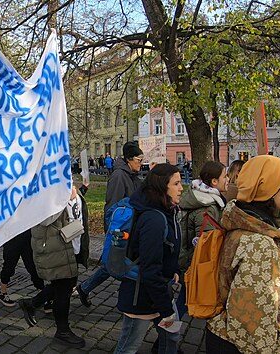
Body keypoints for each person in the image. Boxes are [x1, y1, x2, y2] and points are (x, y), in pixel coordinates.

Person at [206, 155, 280, 353]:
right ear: (269, 188)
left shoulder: (243, 220)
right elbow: (252, 323)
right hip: (237, 344)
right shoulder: (260, 243)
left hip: (222, 334)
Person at [112, 163, 183, 354]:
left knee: (171, 337)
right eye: (176, 183)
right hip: (142, 295)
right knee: (128, 346)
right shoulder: (154, 219)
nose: (182, 188)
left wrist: (174, 269)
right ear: (162, 186)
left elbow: (168, 248)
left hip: (159, 291)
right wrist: (166, 309)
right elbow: (149, 269)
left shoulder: (167, 210)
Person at [18, 184, 90, 348]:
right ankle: (62, 331)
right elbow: (45, 219)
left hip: (71, 245)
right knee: (63, 289)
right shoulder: (42, 189)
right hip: (56, 248)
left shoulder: (66, 185)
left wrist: (77, 195)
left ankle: (32, 303)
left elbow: (76, 215)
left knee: (66, 284)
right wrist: (66, 200)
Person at [77, 141, 143, 306]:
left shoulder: (132, 175)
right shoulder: (119, 176)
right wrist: (111, 231)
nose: (141, 163)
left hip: (128, 227)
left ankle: (85, 288)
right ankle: (128, 303)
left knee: (114, 264)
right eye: (139, 159)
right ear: (129, 159)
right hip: (120, 229)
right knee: (117, 264)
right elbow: (112, 206)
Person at [177, 160, 228, 316]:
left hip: (193, 261)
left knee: (184, 300)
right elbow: (207, 246)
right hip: (196, 264)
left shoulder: (209, 200)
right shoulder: (207, 207)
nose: (228, 180)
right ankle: (166, 335)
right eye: (225, 177)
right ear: (214, 181)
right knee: (186, 301)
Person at [0, 229, 44, 307]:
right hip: (11, 237)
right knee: (9, 266)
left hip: (27, 238)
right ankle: (2, 292)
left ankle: (42, 294)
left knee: (33, 267)